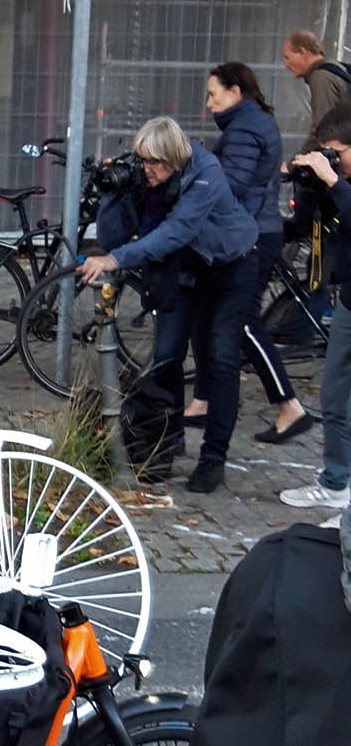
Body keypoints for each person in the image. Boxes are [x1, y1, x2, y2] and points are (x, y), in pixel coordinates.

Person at [80, 116, 257, 494]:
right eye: (141, 162)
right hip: (187, 267)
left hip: (231, 266)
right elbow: (114, 236)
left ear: (174, 159)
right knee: (167, 356)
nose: (146, 170)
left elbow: (176, 231)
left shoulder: (205, 173)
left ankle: (213, 459)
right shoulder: (146, 171)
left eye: (153, 164)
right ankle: (167, 439)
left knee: (221, 358)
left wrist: (116, 260)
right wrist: (115, 192)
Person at [185, 62, 311, 444]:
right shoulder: (249, 123)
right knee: (206, 316)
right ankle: (204, 400)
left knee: (241, 324)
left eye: (213, 94)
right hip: (252, 231)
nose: (208, 103)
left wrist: (192, 175)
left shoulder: (245, 129)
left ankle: (290, 406)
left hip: (252, 237)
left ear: (235, 92)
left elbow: (231, 185)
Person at [280, 108, 351, 518]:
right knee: (335, 397)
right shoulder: (336, 182)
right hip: (349, 302)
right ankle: (335, 483)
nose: (331, 159)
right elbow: (307, 225)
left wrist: (332, 180)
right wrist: (308, 185)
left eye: (337, 153)